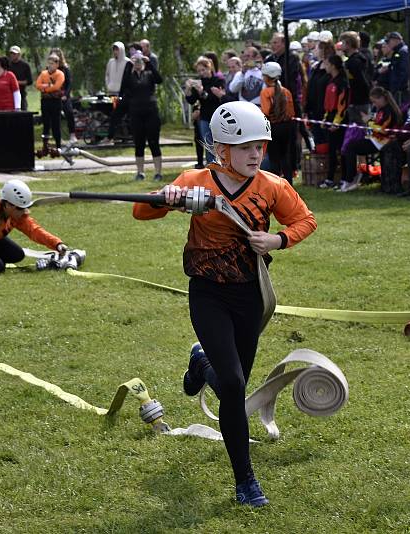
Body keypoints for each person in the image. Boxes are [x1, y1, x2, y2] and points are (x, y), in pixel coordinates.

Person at [132, 100, 317, 508]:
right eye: (246, 147)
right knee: (233, 384)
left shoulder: (272, 186)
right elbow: (140, 212)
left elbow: (305, 220)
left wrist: (277, 240)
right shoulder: (196, 180)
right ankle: (245, 481)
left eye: (260, 147)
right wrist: (164, 197)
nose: (256, 154)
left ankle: (202, 364)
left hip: (250, 295)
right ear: (222, 149)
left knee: (233, 387)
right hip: (208, 292)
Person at [338, 86, 401, 192]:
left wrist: (368, 121)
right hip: (376, 139)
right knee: (350, 145)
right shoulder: (381, 110)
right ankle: (355, 176)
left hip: (381, 142)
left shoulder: (388, 111)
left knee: (351, 147)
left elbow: (383, 129)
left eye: (375, 102)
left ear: (382, 98)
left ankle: (351, 178)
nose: (374, 105)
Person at [120, 50, 163, 181]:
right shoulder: (130, 75)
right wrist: (129, 65)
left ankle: (158, 172)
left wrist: (149, 63)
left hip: (151, 112)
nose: (138, 63)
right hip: (135, 112)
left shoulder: (149, 73)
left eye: (140, 61)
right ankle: (140, 172)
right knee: (139, 143)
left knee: (154, 142)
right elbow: (123, 87)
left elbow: (159, 79)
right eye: (136, 61)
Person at [260, 62, 295, 183]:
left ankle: (275, 184)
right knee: (285, 156)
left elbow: (265, 111)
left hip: (273, 127)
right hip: (286, 126)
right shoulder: (286, 91)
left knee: (274, 158)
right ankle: (289, 182)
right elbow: (291, 113)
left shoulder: (265, 92)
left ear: (267, 76)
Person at [185, 57, 224, 164]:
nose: (202, 73)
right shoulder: (199, 82)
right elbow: (191, 100)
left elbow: (214, 98)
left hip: (218, 116)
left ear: (209, 68)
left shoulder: (218, 81)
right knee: (208, 143)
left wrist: (202, 92)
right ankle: (211, 168)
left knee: (220, 143)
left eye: (203, 70)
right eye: (199, 71)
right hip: (205, 116)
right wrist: (188, 89)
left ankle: (223, 166)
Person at [318, 54, 347, 189]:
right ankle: (330, 179)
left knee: (341, 150)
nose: (326, 66)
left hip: (339, 120)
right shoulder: (331, 81)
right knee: (332, 151)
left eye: (328, 64)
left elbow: (343, 104)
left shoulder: (342, 82)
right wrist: (326, 118)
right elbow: (328, 103)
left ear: (333, 65)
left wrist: (337, 121)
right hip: (330, 118)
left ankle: (344, 179)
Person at [36, 54, 66, 151]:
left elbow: (56, 87)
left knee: (55, 123)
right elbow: (37, 85)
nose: (50, 65)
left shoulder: (60, 74)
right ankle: (45, 146)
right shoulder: (43, 74)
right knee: (46, 124)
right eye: (49, 63)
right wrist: (49, 86)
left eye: (52, 63)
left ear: (57, 64)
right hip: (45, 101)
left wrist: (45, 88)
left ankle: (58, 146)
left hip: (55, 101)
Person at [50, 48, 77, 143]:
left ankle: (72, 135)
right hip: (53, 96)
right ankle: (57, 137)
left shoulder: (65, 68)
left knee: (69, 112)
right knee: (54, 117)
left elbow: (69, 83)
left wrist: (66, 95)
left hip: (64, 95)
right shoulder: (49, 70)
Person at [384, 31, 410, 105]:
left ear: (396, 40)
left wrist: (397, 88)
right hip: (398, 91)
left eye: (389, 41)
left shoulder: (403, 52)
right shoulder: (398, 51)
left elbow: (404, 72)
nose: (388, 44)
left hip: (401, 91)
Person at [8, 46, 34, 111]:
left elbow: (30, 81)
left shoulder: (25, 65)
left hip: (21, 94)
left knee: (23, 114)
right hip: (9, 95)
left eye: (14, 54)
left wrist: (16, 82)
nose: (12, 55)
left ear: (19, 54)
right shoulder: (8, 65)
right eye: (11, 53)